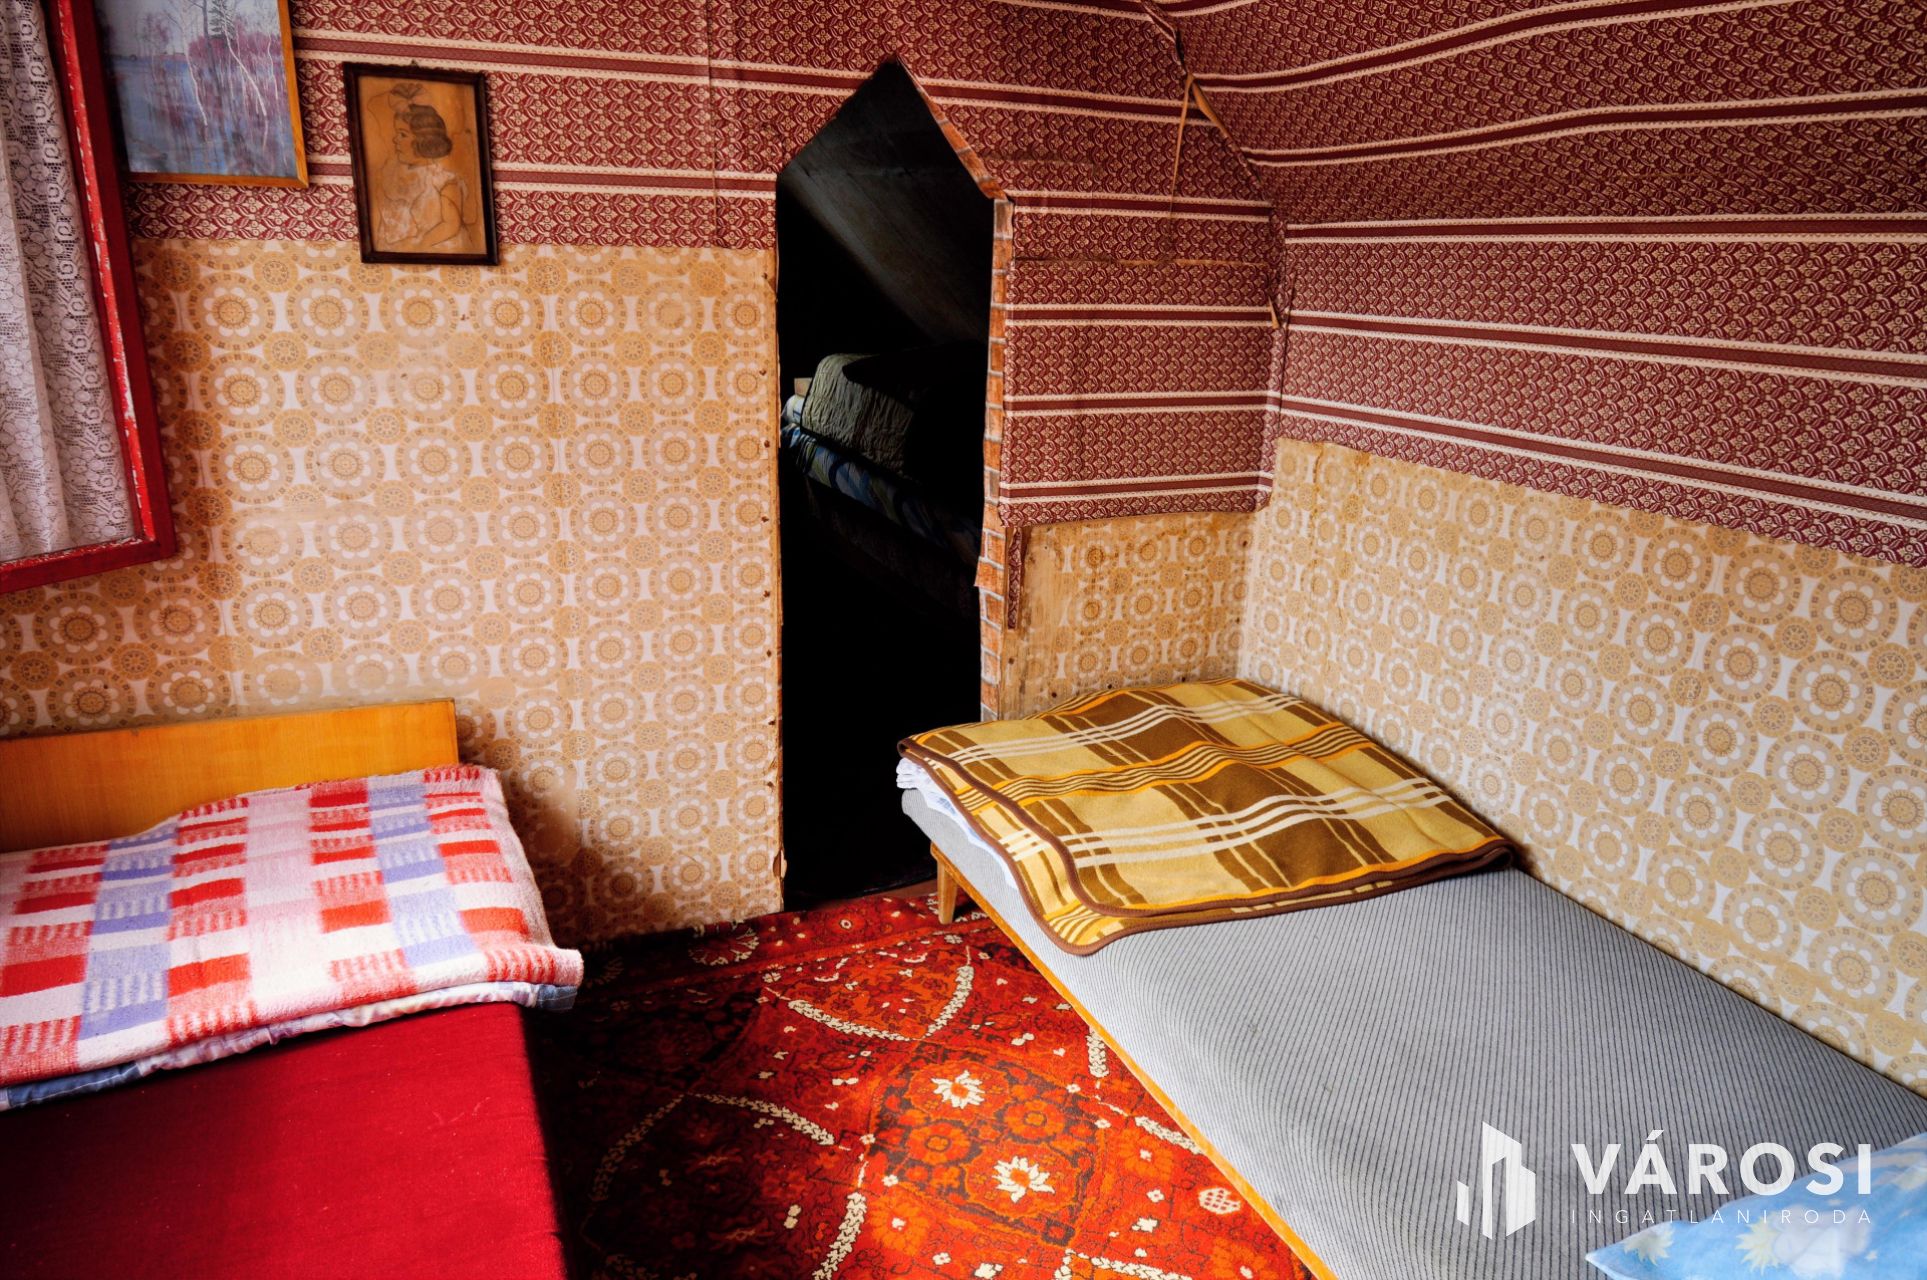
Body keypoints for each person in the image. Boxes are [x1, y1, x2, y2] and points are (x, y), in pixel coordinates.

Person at [373, 88, 468, 252]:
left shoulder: (443, 180)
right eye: (397, 133)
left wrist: (417, 245)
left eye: (403, 135)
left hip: (436, 251)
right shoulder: (392, 176)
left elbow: (451, 225)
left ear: (423, 141)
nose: (395, 139)